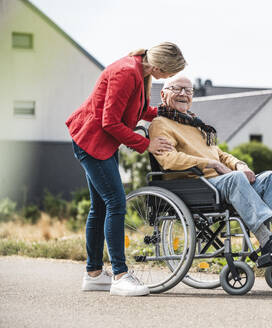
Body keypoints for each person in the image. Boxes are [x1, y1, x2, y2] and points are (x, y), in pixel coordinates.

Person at [149, 76, 272, 261]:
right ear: (163, 94)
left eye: (188, 91)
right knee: (235, 179)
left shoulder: (194, 124)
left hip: (220, 183)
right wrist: (212, 164)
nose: (183, 94)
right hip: (196, 185)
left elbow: (220, 154)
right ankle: (268, 243)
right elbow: (169, 160)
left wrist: (240, 165)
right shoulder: (160, 124)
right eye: (177, 89)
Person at [66, 42, 186, 297]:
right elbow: (109, 121)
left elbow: (138, 111)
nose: (167, 79)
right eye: (168, 74)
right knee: (116, 204)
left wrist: (168, 113)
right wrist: (147, 144)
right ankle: (120, 276)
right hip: (92, 141)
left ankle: (94, 274)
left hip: (101, 144)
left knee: (100, 207)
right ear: (158, 66)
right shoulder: (126, 73)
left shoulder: (140, 73)